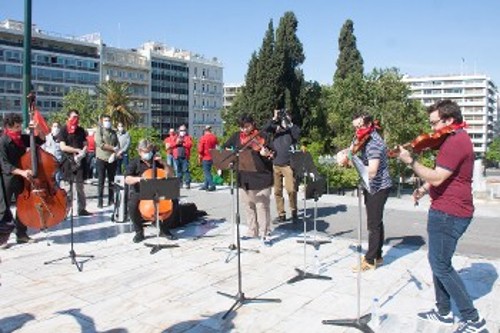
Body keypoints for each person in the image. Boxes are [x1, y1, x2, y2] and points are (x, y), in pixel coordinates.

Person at [395, 100, 486, 332]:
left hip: (450, 213)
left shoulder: (455, 142)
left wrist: (411, 161)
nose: (432, 129)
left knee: (441, 265)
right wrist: (424, 189)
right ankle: (443, 312)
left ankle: (473, 319)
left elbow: (438, 177)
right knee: (438, 263)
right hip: (446, 209)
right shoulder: (456, 138)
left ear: (449, 120)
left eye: (435, 123)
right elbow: (446, 175)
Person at [340, 112, 392, 272]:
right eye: (355, 127)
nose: (357, 130)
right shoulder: (363, 137)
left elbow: (372, 171)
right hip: (371, 186)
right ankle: (378, 256)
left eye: (360, 126)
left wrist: (354, 162)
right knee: (377, 222)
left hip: (378, 186)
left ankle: (369, 260)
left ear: (369, 125)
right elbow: (352, 149)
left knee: (373, 224)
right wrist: (344, 155)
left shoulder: (374, 142)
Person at [224, 114, 274, 246]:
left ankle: (265, 232)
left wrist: (266, 154)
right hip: (244, 176)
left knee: (262, 206)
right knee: (248, 206)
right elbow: (226, 147)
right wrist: (230, 154)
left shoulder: (263, 136)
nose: (244, 130)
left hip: (262, 177)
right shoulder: (237, 137)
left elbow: (273, 153)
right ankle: (252, 231)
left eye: (247, 126)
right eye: (242, 127)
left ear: (253, 124)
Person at [0, 113, 46, 247]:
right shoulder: (3, 141)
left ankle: (21, 234)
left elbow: (40, 140)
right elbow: (4, 164)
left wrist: (38, 128)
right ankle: (2, 238)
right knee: (3, 209)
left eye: (20, 126)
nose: (20, 129)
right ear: (8, 127)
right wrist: (22, 172)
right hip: (6, 179)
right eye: (16, 127)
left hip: (22, 178)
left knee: (22, 207)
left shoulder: (20, 138)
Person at [125, 139, 178, 243]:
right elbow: (127, 179)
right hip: (141, 190)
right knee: (132, 204)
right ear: (139, 151)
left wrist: (164, 163)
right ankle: (139, 232)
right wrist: (138, 179)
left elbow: (171, 174)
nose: (147, 154)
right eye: (145, 151)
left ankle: (164, 229)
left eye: (149, 151)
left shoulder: (157, 161)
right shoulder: (135, 162)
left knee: (174, 201)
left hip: (158, 189)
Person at [263, 109, 301, 223]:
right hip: (276, 164)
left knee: (291, 190)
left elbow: (297, 134)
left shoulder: (292, 130)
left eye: (287, 116)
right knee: (277, 191)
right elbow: (266, 128)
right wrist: (275, 118)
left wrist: (289, 123)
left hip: (288, 165)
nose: (284, 119)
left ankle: (294, 210)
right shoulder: (277, 129)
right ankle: (281, 215)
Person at [59, 109, 91, 216]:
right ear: (68, 118)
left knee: (80, 187)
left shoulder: (81, 130)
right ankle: (65, 210)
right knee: (68, 188)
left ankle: (81, 209)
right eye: (73, 117)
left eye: (77, 117)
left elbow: (85, 143)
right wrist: (76, 150)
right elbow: (63, 147)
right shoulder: (63, 130)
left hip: (79, 161)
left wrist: (83, 151)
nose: (75, 119)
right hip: (68, 162)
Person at [94, 114, 120, 208]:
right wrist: (113, 148)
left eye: (109, 120)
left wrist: (116, 153)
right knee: (101, 180)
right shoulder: (99, 131)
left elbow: (118, 145)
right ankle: (100, 201)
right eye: (105, 120)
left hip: (112, 159)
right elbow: (100, 144)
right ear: (102, 121)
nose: (107, 122)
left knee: (111, 180)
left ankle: (111, 200)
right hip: (101, 158)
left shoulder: (113, 132)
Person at [198, 125, 218, 191]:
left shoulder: (203, 138)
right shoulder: (214, 137)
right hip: (213, 156)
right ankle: (205, 185)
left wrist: (200, 155)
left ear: (205, 130)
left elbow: (200, 150)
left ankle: (212, 185)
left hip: (206, 157)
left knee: (206, 172)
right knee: (208, 171)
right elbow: (217, 145)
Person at [41, 122, 63, 186]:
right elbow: (42, 150)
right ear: (51, 127)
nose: (56, 128)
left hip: (58, 164)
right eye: (54, 126)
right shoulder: (46, 138)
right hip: (48, 164)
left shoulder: (62, 139)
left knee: (57, 179)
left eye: (58, 127)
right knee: (49, 180)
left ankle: (57, 194)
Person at [172, 124, 193, 189]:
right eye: (181, 130)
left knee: (186, 170)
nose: (182, 131)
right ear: (179, 130)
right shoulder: (175, 137)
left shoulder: (188, 137)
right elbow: (171, 145)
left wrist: (182, 143)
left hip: (185, 157)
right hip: (177, 156)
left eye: (184, 130)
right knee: (178, 170)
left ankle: (187, 183)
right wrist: (177, 143)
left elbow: (190, 145)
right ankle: (179, 183)